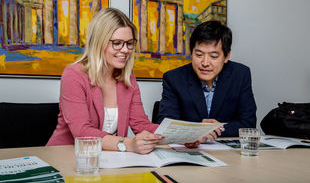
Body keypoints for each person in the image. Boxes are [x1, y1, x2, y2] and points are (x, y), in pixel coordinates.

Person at [47, 8, 163, 154]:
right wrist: (127, 144)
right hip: (65, 157)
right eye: (117, 43)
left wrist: (184, 135)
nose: (126, 50)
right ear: (99, 42)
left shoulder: (128, 79)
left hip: (106, 160)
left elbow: (141, 124)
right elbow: (82, 132)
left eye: (129, 43)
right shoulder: (74, 75)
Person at [157, 20, 257, 141]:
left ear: (226, 56)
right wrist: (198, 130)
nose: (205, 63)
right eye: (199, 55)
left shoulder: (240, 75)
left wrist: (214, 129)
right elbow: (165, 123)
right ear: (191, 53)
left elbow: (248, 123)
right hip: (188, 150)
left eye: (213, 56)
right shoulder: (174, 78)